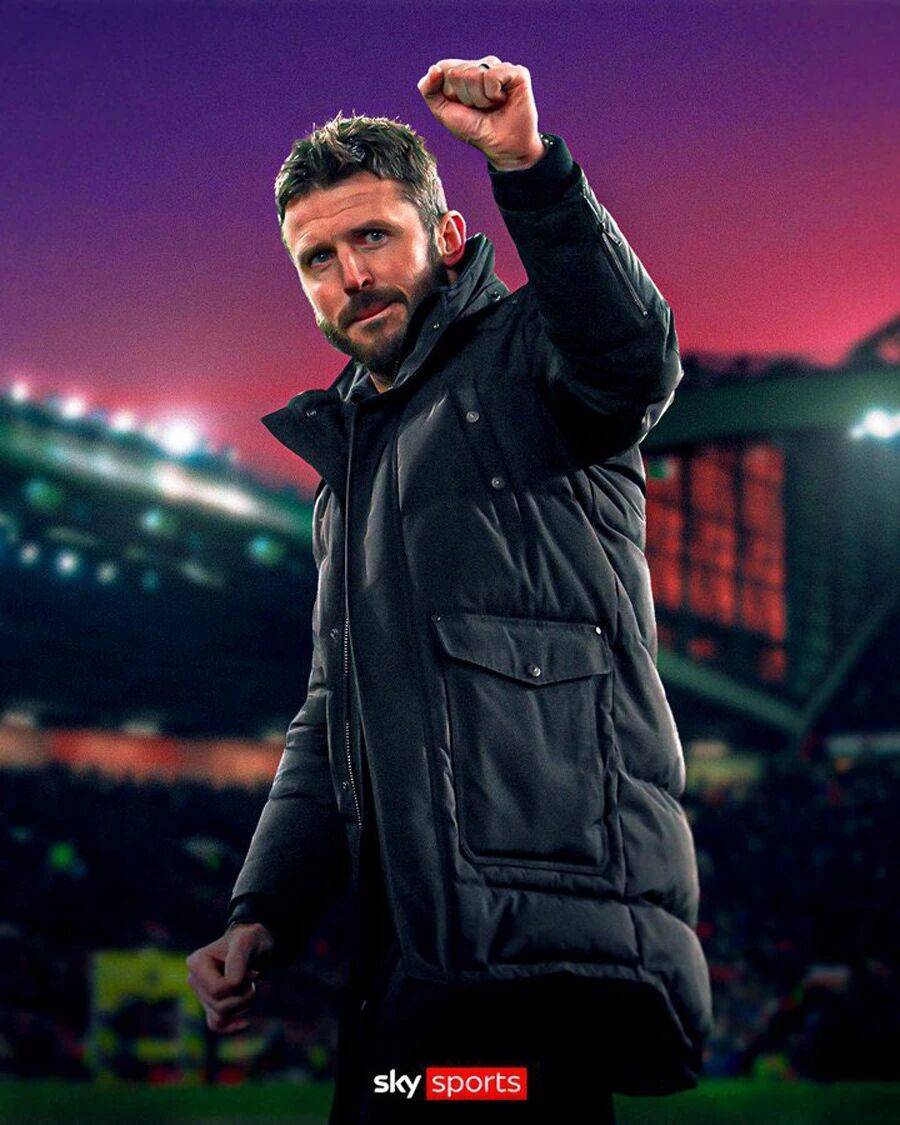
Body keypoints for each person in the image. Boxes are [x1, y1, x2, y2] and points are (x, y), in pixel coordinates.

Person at [187, 54, 713, 1120]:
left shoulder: (530, 361)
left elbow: (631, 359)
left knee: (494, 1101)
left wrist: (528, 166)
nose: (351, 275)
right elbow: (333, 713)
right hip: (411, 968)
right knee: (394, 1098)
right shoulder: (348, 475)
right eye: (318, 257)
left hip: (534, 961)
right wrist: (263, 908)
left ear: (451, 237)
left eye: (374, 237)